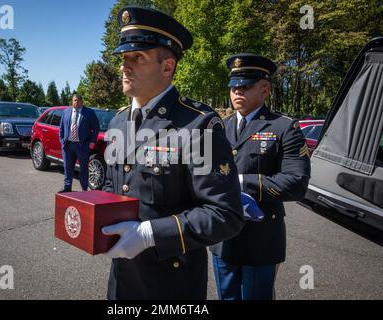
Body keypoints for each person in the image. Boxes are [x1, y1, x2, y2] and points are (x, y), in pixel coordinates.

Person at [100, 6, 245, 300]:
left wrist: (149, 234)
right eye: (124, 58)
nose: (124, 66)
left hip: (171, 285)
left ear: (167, 67)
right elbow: (112, 184)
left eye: (137, 58)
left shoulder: (197, 124)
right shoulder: (118, 121)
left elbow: (224, 214)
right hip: (122, 280)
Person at [210, 53, 311, 300]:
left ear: (265, 89)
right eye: (233, 86)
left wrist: (243, 182)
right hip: (223, 236)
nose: (237, 92)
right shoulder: (218, 127)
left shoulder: (283, 127)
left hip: (261, 239)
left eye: (245, 86)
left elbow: (296, 183)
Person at [58, 94, 100, 192]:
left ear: (82, 102)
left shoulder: (89, 112)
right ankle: (67, 187)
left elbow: (96, 127)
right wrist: (62, 141)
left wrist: (92, 141)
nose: (75, 102)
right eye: (74, 100)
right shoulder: (66, 112)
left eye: (77, 100)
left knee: (83, 169)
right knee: (68, 167)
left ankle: (84, 189)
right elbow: (61, 128)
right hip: (68, 145)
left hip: (82, 145)